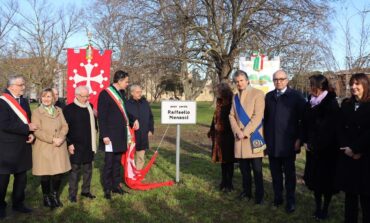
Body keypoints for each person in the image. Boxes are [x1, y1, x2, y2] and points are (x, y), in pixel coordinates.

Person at [264, 69, 305, 213]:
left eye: (281, 79)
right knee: (275, 174)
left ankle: (290, 200)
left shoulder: (296, 97)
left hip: (289, 143)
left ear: (287, 80)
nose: (278, 81)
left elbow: (303, 121)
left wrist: (299, 139)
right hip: (272, 143)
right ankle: (278, 198)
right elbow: (265, 120)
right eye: (275, 79)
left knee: (289, 175)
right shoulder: (268, 97)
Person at [302, 74, 339, 220]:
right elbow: (304, 124)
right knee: (315, 182)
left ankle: (325, 208)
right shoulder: (309, 103)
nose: (310, 88)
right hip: (312, 150)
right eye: (310, 85)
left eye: (312, 85)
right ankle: (317, 207)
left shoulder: (331, 103)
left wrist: (318, 145)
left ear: (320, 87)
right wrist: (305, 141)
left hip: (327, 151)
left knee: (326, 183)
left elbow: (331, 129)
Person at [0, 75, 37, 219]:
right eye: (21, 85)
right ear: (11, 86)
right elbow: (4, 124)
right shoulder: (2, 102)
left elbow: (28, 119)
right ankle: (1, 206)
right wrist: (26, 127)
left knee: (21, 178)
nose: (23, 87)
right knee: (3, 181)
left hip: (23, 145)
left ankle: (18, 203)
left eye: (23, 84)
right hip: (6, 148)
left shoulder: (24, 101)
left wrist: (31, 133)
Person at [98, 70, 138, 199]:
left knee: (117, 162)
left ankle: (116, 186)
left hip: (121, 134)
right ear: (119, 81)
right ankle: (107, 188)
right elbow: (102, 117)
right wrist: (104, 135)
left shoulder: (121, 93)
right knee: (109, 163)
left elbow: (124, 112)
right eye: (126, 81)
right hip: (110, 136)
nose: (127, 84)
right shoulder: (105, 94)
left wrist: (133, 120)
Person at [337, 73, 370, 223]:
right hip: (348, 156)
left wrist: (357, 149)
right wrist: (348, 149)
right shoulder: (346, 104)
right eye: (351, 84)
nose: (353, 87)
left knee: (366, 197)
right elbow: (340, 128)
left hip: (366, 158)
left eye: (357, 84)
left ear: (365, 85)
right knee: (350, 196)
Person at [229, 70, 265, 204]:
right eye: (237, 81)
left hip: (253, 137)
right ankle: (246, 192)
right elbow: (231, 116)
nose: (239, 83)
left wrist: (245, 132)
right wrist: (237, 131)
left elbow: (258, 116)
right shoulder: (235, 97)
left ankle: (259, 195)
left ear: (247, 80)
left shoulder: (258, 94)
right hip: (239, 138)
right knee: (244, 170)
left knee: (257, 170)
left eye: (241, 80)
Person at [32, 88, 71, 209]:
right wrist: (52, 139)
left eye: (49, 96)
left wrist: (61, 137)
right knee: (45, 174)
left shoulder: (59, 110)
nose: (46, 99)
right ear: (40, 98)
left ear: (53, 98)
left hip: (59, 146)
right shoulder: (36, 112)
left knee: (58, 173)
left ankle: (54, 195)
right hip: (44, 147)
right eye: (44, 96)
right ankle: (46, 197)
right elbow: (37, 131)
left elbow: (65, 126)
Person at [63, 86, 97, 203]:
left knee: (88, 168)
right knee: (74, 170)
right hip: (75, 144)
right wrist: (69, 143)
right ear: (76, 95)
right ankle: (72, 194)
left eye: (88, 96)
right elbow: (64, 129)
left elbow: (94, 125)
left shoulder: (90, 107)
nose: (86, 98)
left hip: (88, 143)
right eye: (84, 96)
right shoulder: (68, 109)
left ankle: (85, 191)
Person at [208, 82, 235, 192]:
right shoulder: (219, 102)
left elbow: (232, 119)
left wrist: (221, 126)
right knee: (222, 161)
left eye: (218, 90)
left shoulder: (231, 102)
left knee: (229, 161)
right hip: (219, 136)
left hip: (228, 136)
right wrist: (212, 129)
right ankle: (223, 181)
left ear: (223, 91)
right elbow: (215, 117)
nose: (216, 92)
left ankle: (229, 183)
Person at [125, 85, 154, 170]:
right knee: (129, 156)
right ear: (132, 93)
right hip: (131, 135)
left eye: (140, 92)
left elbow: (150, 117)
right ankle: (129, 175)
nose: (140, 94)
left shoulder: (145, 103)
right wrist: (132, 122)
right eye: (137, 92)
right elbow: (125, 118)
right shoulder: (126, 104)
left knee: (140, 157)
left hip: (143, 134)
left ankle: (138, 174)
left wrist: (151, 129)